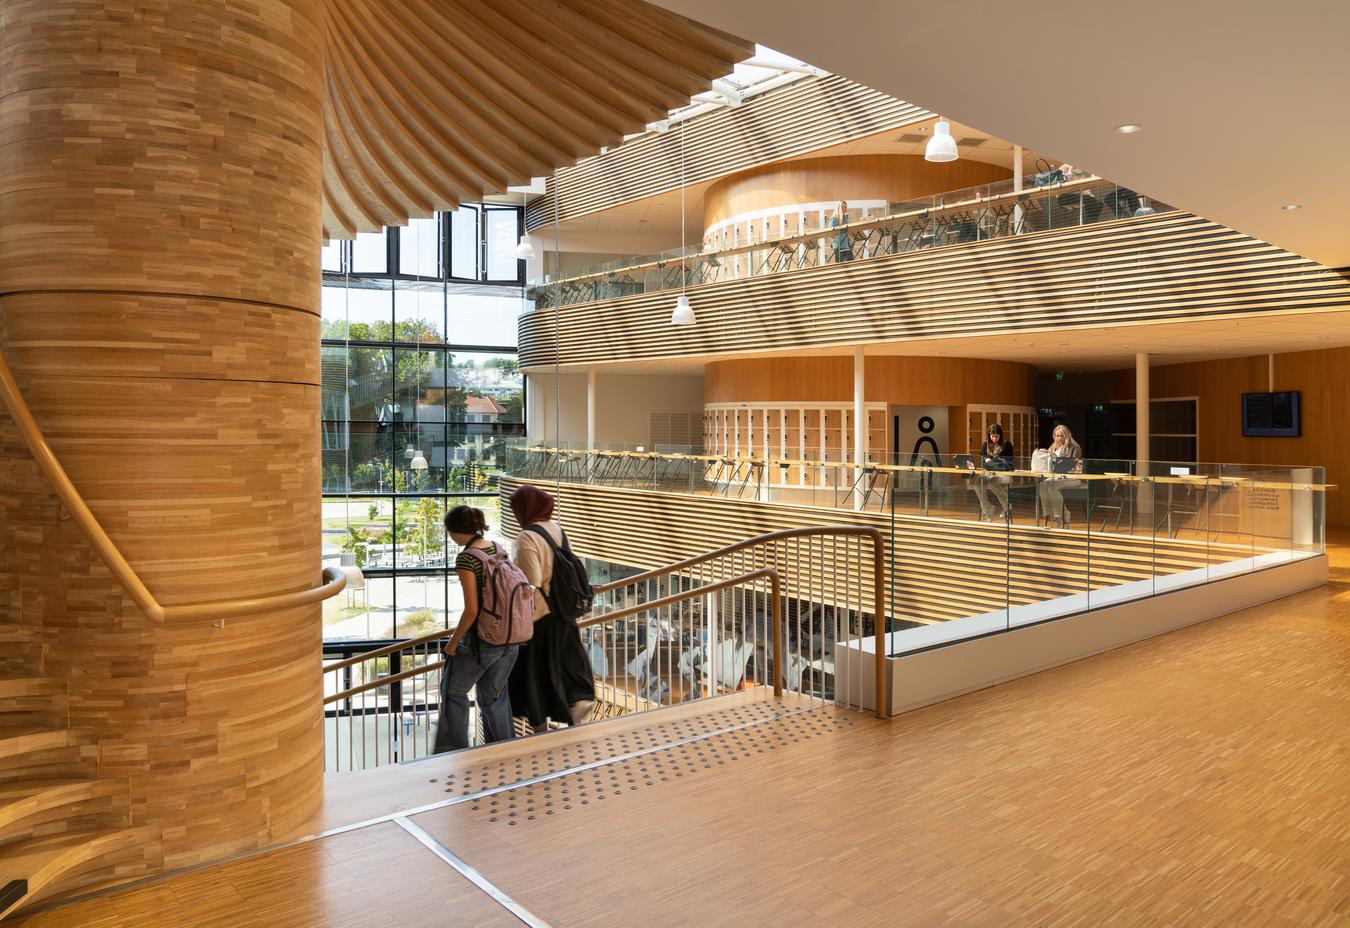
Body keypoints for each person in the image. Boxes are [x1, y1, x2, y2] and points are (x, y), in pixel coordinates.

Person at [508, 485, 596, 732]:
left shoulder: (527, 537)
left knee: (534, 674)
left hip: (541, 617)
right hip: (564, 612)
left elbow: (530, 584)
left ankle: (540, 729)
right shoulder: (556, 530)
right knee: (569, 664)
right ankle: (578, 712)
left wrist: (521, 623)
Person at [433, 505, 519, 753]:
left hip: (483, 641)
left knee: (452, 691)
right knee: (494, 696)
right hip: (510, 637)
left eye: (450, 531)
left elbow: (472, 610)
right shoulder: (496, 549)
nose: (450, 536)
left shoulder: (468, 558)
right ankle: (504, 753)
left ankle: (453, 752)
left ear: (457, 531)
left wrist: (452, 643)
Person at [1037, 425, 1083, 528]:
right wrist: (1044, 454)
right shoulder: (1053, 447)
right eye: (1057, 436)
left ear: (1067, 436)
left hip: (1071, 478)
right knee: (1042, 485)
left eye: (1061, 436)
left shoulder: (1074, 448)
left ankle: (1057, 517)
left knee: (1050, 485)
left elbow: (1072, 465)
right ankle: (1057, 514)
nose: (1059, 438)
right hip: (1055, 477)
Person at [972, 423, 1014, 520]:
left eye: (996, 436)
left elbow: (1009, 462)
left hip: (1004, 474)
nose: (994, 439)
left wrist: (991, 461)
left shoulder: (1007, 445)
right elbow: (982, 462)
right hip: (989, 473)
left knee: (992, 484)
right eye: (992, 436)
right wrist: (987, 462)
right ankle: (988, 509)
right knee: (977, 484)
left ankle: (1007, 506)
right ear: (989, 435)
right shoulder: (985, 445)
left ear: (1001, 435)